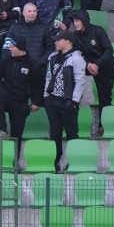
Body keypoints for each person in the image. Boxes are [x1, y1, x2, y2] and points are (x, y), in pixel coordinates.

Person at [0, 34, 42, 166]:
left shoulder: (33, 64)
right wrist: (1, 90)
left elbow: (38, 85)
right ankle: (3, 129)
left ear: (20, 48)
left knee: (17, 135)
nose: (10, 49)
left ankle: (15, 163)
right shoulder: (5, 61)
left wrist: (36, 102)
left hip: (21, 102)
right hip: (6, 96)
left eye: (12, 46)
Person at [44, 29, 87, 173]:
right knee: (55, 134)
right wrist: (46, 96)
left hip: (68, 102)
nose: (56, 42)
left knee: (72, 133)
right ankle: (55, 162)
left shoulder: (77, 59)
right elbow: (48, 77)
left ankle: (73, 162)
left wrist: (74, 101)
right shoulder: (53, 57)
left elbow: (80, 81)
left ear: (68, 41)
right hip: (52, 101)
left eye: (58, 39)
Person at [69, 9, 114, 139]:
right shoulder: (75, 35)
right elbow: (77, 52)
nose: (75, 23)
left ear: (84, 20)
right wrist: (88, 64)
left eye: (77, 21)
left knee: (105, 96)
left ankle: (103, 125)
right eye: (74, 21)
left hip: (104, 65)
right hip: (87, 65)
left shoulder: (98, 31)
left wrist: (97, 64)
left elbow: (108, 50)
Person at [6, 2, 55, 77]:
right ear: (23, 13)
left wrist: (40, 62)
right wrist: (14, 61)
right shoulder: (14, 28)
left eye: (34, 11)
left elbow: (50, 48)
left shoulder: (44, 28)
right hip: (18, 67)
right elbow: (6, 47)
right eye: (29, 11)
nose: (32, 13)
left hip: (38, 68)